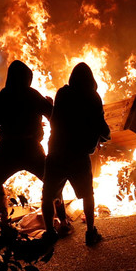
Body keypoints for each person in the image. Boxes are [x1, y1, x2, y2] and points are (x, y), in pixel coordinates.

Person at [0, 60, 67, 234]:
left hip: (7, 149)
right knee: (53, 185)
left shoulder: (4, 95)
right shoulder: (32, 94)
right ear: (27, 78)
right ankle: (63, 221)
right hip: (30, 148)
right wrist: (50, 105)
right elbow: (53, 116)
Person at [41, 63, 111, 246]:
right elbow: (102, 127)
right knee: (87, 194)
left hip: (56, 151)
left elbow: (54, 121)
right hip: (78, 155)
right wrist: (105, 136)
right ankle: (90, 233)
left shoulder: (62, 93)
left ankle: (49, 233)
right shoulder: (93, 97)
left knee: (48, 194)